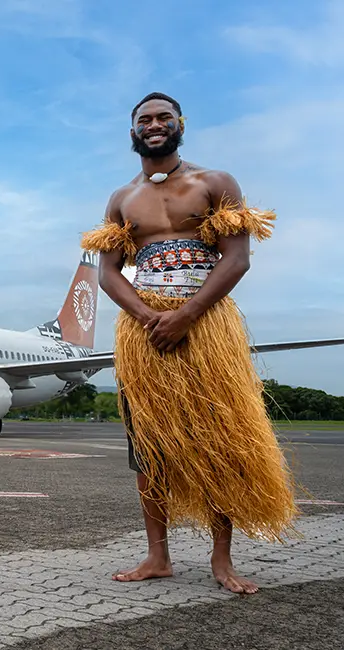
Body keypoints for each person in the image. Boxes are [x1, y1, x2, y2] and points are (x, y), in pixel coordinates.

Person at [80, 92, 295, 594]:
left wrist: (188, 314)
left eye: (162, 117)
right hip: (145, 333)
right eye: (144, 119)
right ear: (132, 130)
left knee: (221, 441)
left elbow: (237, 258)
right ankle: (158, 556)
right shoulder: (121, 198)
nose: (154, 125)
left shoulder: (215, 183)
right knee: (150, 447)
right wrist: (148, 316)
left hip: (207, 327)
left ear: (180, 124)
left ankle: (222, 561)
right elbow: (107, 273)